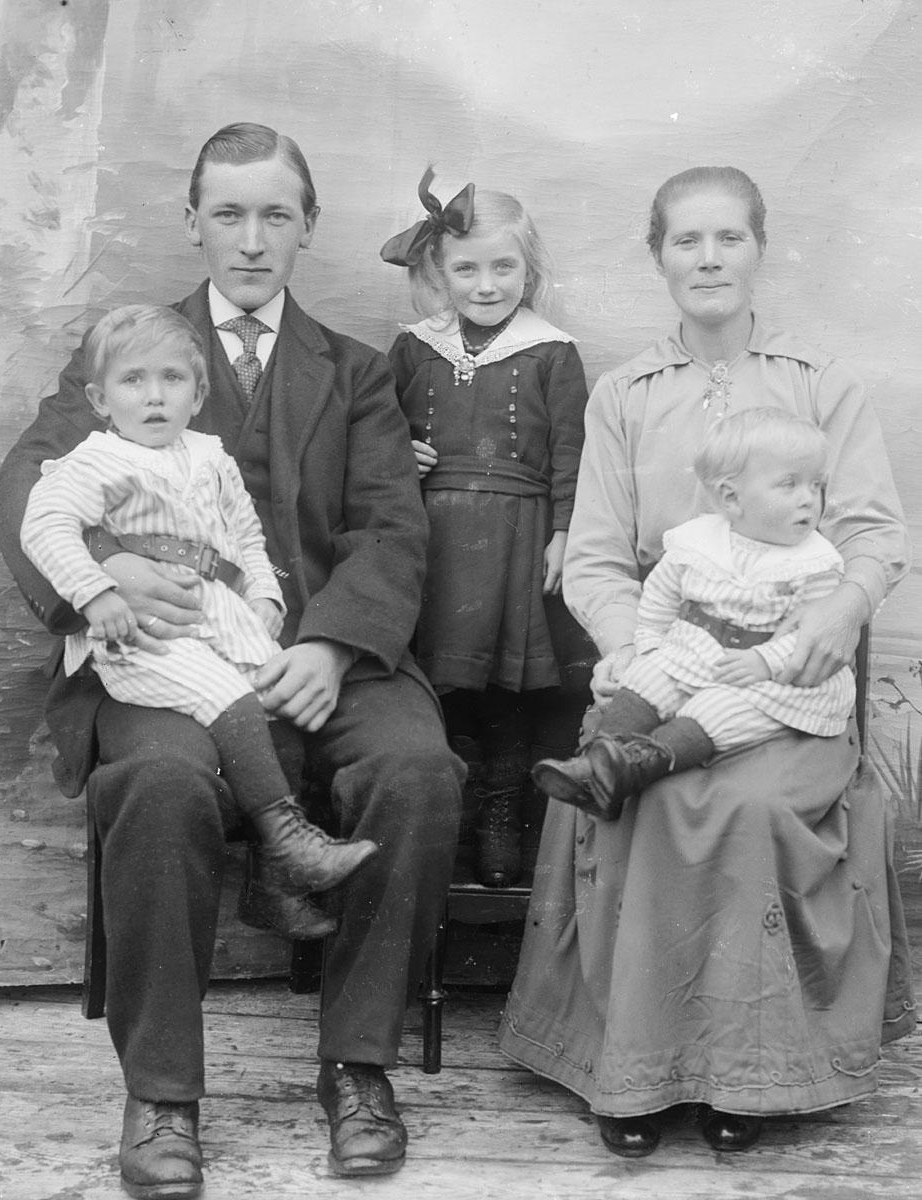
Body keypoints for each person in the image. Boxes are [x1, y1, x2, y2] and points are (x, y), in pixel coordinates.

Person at [0, 123, 465, 1196]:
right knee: (158, 782)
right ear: (193, 222)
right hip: (162, 649)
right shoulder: (128, 352)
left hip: (317, 650)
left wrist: (333, 643)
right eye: (228, 214)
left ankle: (357, 1066)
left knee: (416, 770)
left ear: (308, 228)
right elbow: (30, 483)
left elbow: (391, 526)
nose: (251, 240)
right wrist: (107, 571)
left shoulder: (355, 372)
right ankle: (162, 1093)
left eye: (275, 215)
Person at [498, 166, 915, 1159]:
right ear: (658, 256)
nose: (710, 258)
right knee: (633, 791)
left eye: (729, 237)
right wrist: (633, 652)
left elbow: (872, 533)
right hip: (666, 654)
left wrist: (838, 613)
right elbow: (597, 558)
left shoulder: (819, 384)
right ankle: (634, 1073)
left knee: (746, 804)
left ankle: (751, 1076)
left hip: (790, 679)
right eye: (686, 240)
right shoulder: (626, 396)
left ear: (759, 247)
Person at [20, 304, 378, 920]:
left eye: (172, 379)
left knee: (278, 692)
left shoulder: (209, 455)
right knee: (228, 698)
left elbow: (246, 536)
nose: (154, 397)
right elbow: (44, 524)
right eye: (133, 381)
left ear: (198, 393)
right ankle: (290, 842)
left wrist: (264, 594)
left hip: (216, 607)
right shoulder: (94, 461)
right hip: (140, 631)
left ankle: (274, 878)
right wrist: (95, 592)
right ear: (100, 400)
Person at [381, 169, 592, 886]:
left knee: (504, 688)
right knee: (436, 683)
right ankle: (443, 817)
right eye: (466, 269)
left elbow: (571, 454)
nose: (485, 284)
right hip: (432, 538)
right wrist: (399, 453)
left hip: (516, 539)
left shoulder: (552, 352)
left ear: (529, 269)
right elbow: (376, 434)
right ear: (439, 271)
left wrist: (563, 533)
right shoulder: (415, 347)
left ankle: (501, 813)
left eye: (504, 267)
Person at [534, 407, 856, 819]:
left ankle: (635, 769)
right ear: (731, 498)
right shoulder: (698, 542)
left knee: (714, 711)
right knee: (647, 679)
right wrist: (651, 647)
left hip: (770, 680)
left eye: (816, 485)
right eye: (789, 484)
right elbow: (660, 596)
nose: (809, 498)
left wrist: (765, 661)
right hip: (697, 655)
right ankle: (594, 765)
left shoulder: (814, 563)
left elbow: (811, 630)